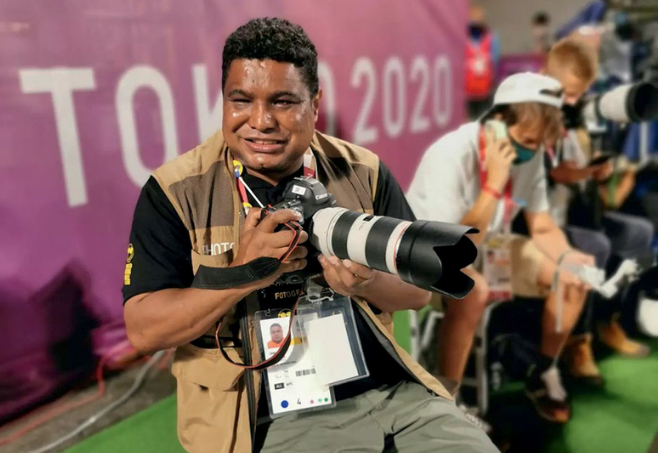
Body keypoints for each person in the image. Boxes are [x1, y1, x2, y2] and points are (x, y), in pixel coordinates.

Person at [122, 17, 497, 453]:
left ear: (315, 104)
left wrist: (366, 281)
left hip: (391, 392)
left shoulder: (362, 170)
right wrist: (243, 273)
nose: (260, 121)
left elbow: (416, 295)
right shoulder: (175, 190)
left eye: (283, 102)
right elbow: (144, 330)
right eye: (240, 100)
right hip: (268, 413)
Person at [407, 72, 594, 424]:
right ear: (495, 122)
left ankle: (541, 371)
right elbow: (452, 248)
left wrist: (567, 256)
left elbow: (541, 224)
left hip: (488, 243)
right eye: (526, 140)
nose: (531, 150)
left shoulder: (530, 153)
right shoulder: (450, 155)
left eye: (539, 143)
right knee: (472, 289)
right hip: (430, 253)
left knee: (571, 277)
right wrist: (493, 185)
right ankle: (448, 403)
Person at [541, 38, 653, 382]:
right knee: (597, 245)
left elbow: (581, 178)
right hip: (540, 222)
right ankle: (579, 341)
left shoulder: (575, 119)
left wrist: (598, 173)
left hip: (575, 213)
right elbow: (553, 172)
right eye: (571, 92)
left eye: (581, 93)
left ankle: (608, 319)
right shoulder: (535, 112)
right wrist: (585, 172)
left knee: (639, 232)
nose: (576, 101)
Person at [466, 3, 501, 120]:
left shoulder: (491, 39)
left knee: (483, 121)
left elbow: (494, 63)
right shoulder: (461, 38)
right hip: (467, 91)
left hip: (485, 90)